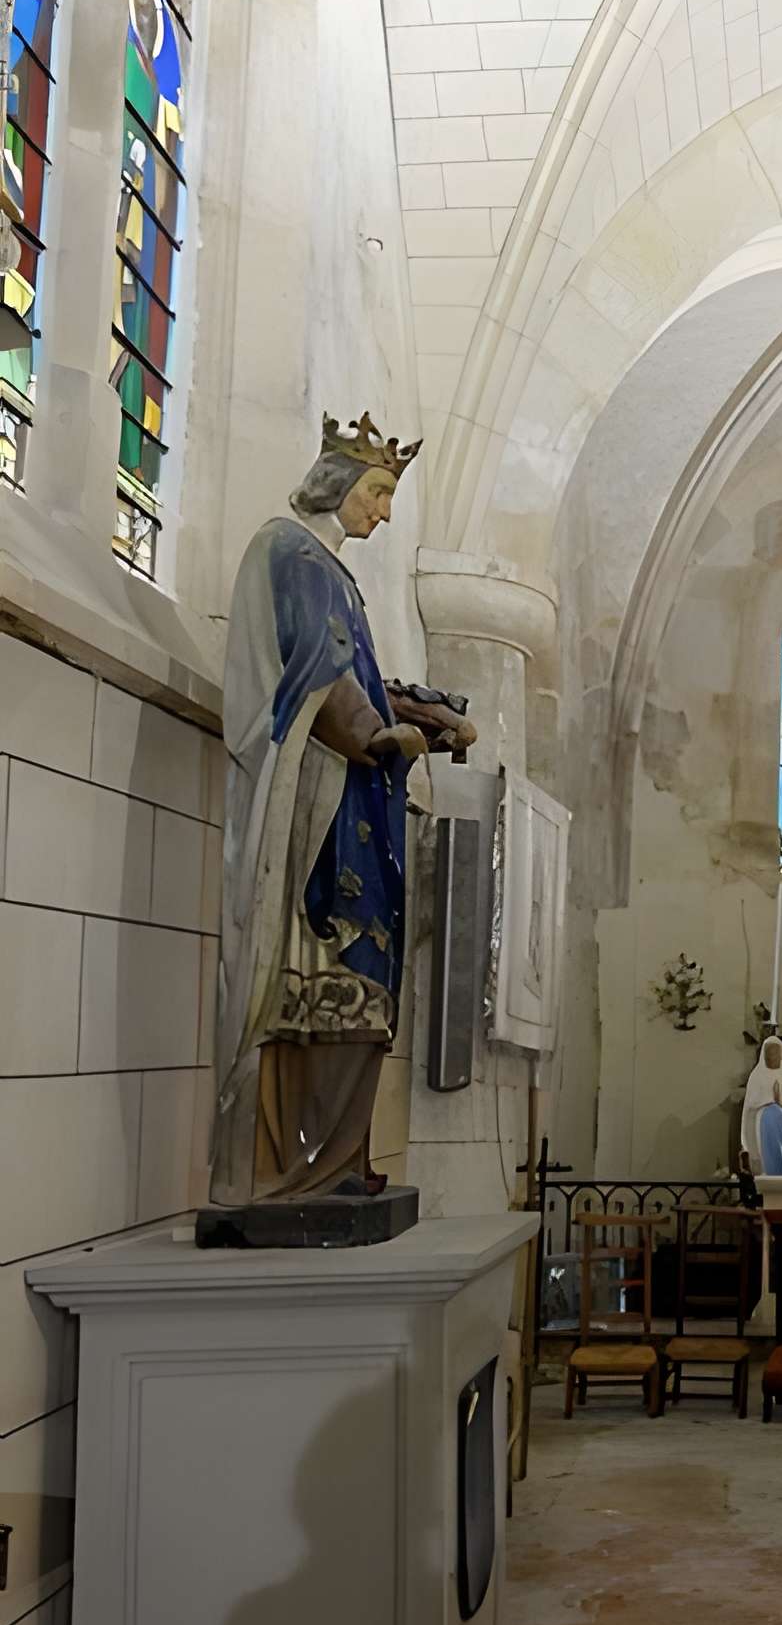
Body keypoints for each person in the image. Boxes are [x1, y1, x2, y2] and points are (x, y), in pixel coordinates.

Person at [210, 411, 476, 1206]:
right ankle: (298, 1173)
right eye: (379, 491)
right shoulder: (292, 553)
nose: (384, 511)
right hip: (318, 806)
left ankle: (338, 1160)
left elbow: (357, 680)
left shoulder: (331, 571)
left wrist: (420, 710)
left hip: (355, 802)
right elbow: (322, 687)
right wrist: (389, 737)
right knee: (324, 967)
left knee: (365, 979)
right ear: (338, 484)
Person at [741, 1036, 782, 1176]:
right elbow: (750, 1106)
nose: (773, 1056)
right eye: (770, 1052)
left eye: (776, 1052)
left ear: (781, 1055)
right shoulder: (757, 1076)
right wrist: (769, 1101)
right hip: (763, 1122)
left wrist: (780, 1101)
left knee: (776, 1114)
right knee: (770, 1114)